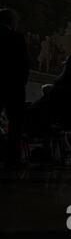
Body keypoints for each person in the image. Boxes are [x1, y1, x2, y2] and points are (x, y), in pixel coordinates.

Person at [0, 9, 30, 167]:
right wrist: (22, 83)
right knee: (15, 123)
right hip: (13, 85)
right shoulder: (16, 37)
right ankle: (12, 158)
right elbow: (24, 63)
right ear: (12, 22)